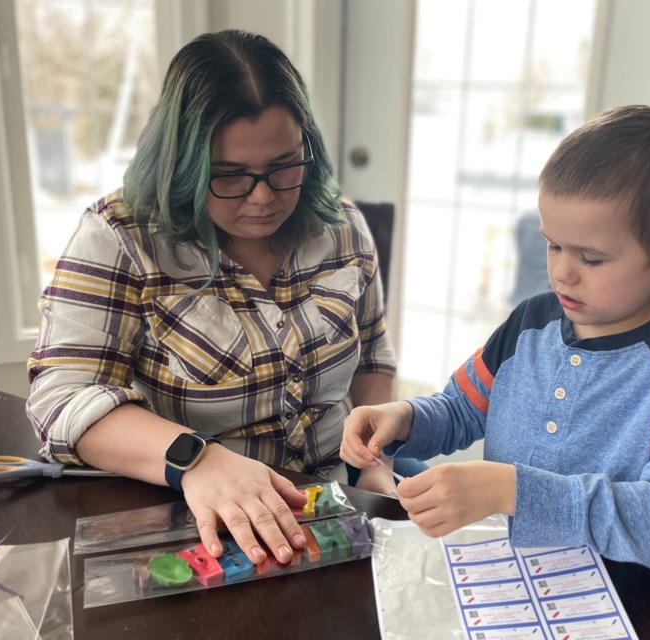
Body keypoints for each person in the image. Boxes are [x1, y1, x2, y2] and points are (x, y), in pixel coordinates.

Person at [26, 29, 401, 567]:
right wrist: (195, 459)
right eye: (228, 176)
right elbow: (61, 398)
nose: (265, 197)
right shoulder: (122, 237)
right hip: (198, 528)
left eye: (284, 164)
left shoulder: (342, 227)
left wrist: (373, 464)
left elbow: (371, 356)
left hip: (331, 507)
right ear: (183, 165)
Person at [341, 105, 650, 577]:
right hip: (502, 575)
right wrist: (402, 417)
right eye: (553, 245)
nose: (561, 273)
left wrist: (511, 490)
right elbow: (461, 409)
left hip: (616, 596)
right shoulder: (533, 319)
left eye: (591, 258)